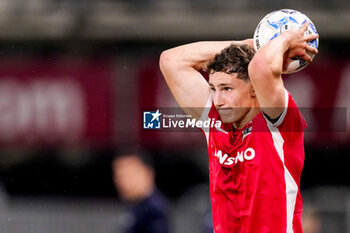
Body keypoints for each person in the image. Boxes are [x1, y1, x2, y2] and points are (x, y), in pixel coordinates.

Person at [159, 22, 318, 233]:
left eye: (226, 89)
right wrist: (246, 45)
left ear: (254, 89)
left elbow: (260, 68)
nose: (217, 100)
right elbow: (170, 60)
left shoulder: (277, 121)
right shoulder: (215, 122)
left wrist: (285, 39)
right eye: (213, 89)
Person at [112, 151, 169, 233]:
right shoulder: (138, 206)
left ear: (149, 173)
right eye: (119, 176)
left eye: (129, 175)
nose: (122, 181)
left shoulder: (154, 211)